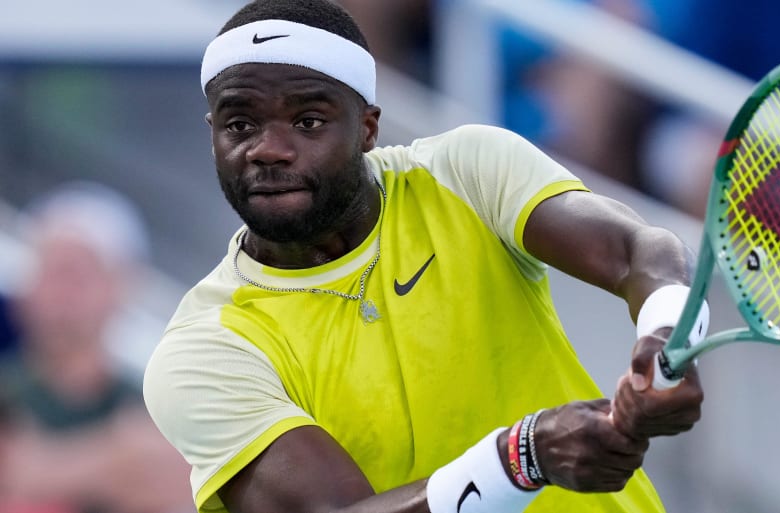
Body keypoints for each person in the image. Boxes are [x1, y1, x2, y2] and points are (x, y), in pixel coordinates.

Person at [142, 1, 708, 513]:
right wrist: (522, 458)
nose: (267, 148)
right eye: (239, 124)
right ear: (212, 134)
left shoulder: (466, 170)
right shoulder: (202, 350)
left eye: (308, 121)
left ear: (366, 128)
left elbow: (640, 249)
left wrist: (664, 334)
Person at [0, 182, 194, 513]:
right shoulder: (12, 385)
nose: (60, 292)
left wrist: (47, 466)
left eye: (78, 273)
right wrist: (114, 457)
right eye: (51, 269)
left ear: (120, 288)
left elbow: (176, 474)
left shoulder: (149, 403)